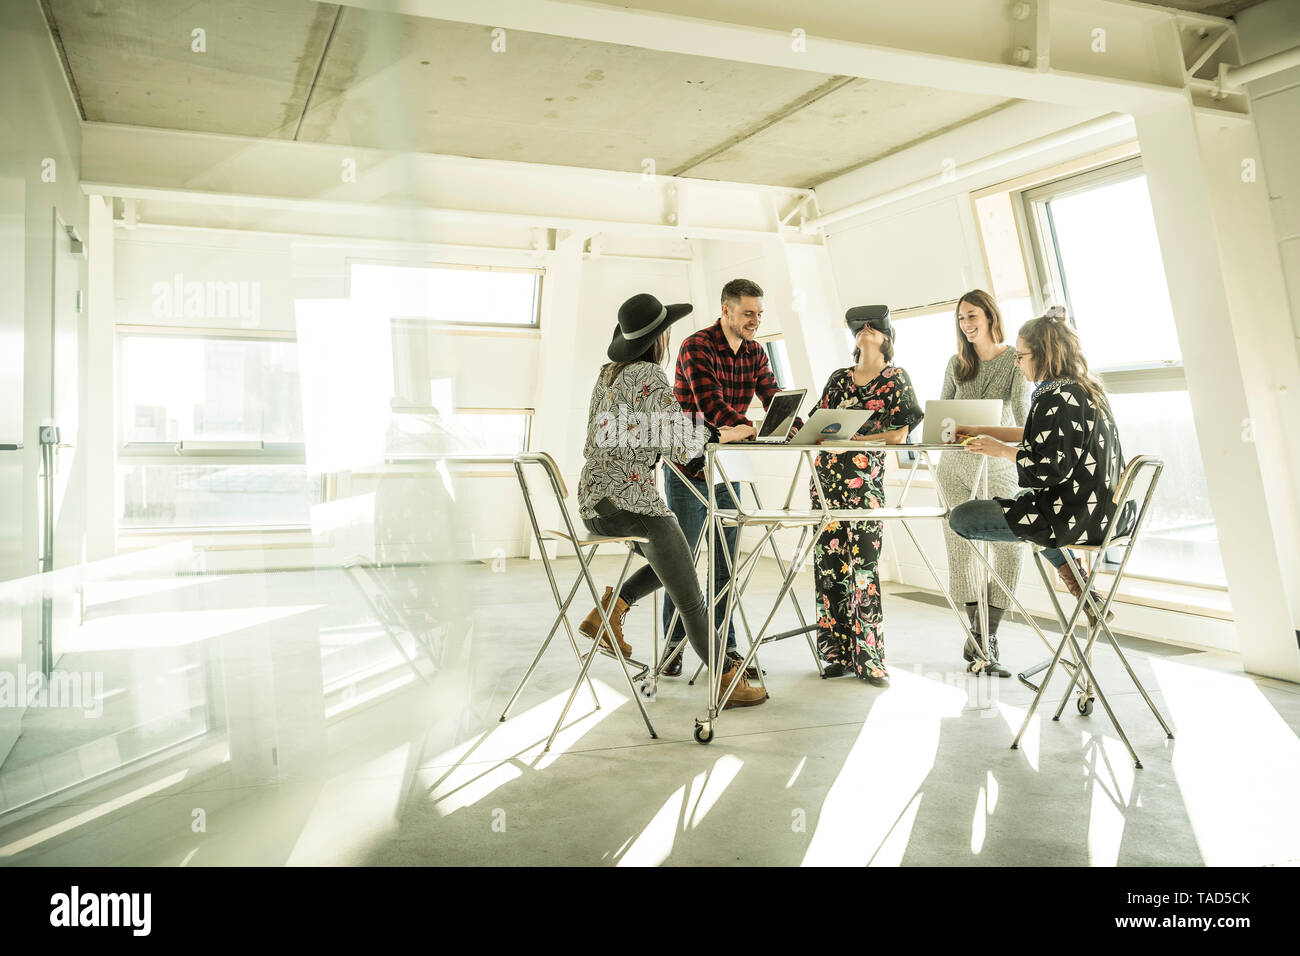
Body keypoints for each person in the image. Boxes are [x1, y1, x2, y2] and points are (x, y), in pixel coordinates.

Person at [574, 292, 766, 707]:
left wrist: (681, 436)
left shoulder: (608, 374)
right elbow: (683, 447)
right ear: (658, 339)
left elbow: (618, 435)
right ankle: (726, 681)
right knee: (691, 593)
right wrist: (726, 434)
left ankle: (608, 612)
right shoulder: (648, 376)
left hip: (595, 506)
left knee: (679, 556)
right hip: (632, 506)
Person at [950, 306, 1125, 629]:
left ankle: (1077, 585)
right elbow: (1039, 437)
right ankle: (1082, 589)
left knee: (962, 518)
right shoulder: (1085, 390)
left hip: (1074, 517)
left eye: (1021, 356)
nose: (1017, 364)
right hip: (1108, 513)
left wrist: (1000, 451)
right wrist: (980, 431)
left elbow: (1048, 468)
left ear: (1042, 355)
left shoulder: (1051, 397)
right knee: (1027, 496)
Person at [661, 278, 801, 678]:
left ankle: (727, 650)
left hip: (729, 468)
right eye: (747, 314)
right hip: (689, 468)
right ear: (726, 310)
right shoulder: (696, 347)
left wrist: (797, 425)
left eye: (759, 314)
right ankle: (674, 647)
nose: (754, 321)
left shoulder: (756, 352)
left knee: (725, 564)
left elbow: (772, 396)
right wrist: (753, 429)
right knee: (682, 565)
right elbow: (712, 407)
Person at [808, 306, 924, 687]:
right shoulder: (839, 377)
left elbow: (899, 436)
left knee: (864, 569)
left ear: (887, 337)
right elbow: (818, 424)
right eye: (861, 327)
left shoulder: (895, 378)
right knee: (829, 568)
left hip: (865, 482)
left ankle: (870, 659)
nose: (866, 330)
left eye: (874, 327)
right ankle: (835, 655)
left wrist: (857, 440)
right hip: (825, 479)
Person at [935, 290, 1030, 677]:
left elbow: (1024, 423)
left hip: (1000, 469)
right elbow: (941, 422)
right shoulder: (956, 364)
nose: (966, 324)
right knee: (962, 552)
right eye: (960, 319)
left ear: (990, 316)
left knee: (1010, 551)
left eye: (971, 316)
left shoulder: (1014, 361)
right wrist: (950, 431)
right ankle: (981, 646)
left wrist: (986, 434)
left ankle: (985, 634)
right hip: (956, 469)